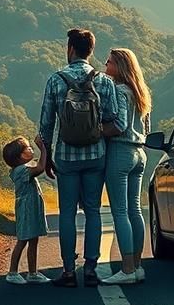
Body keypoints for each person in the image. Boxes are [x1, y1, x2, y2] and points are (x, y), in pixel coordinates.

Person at [39, 27, 127, 288]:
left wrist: (46, 157)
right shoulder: (104, 81)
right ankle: (90, 269)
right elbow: (114, 119)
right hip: (96, 154)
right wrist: (95, 130)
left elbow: (46, 123)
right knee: (93, 211)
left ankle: (68, 271)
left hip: (66, 156)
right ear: (91, 51)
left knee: (67, 212)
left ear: (70, 49)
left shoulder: (56, 80)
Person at [101, 48, 151, 285]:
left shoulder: (119, 91)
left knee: (120, 212)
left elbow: (119, 125)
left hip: (120, 151)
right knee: (135, 211)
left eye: (109, 62)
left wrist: (96, 131)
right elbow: (147, 129)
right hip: (139, 153)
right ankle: (138, 266)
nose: (105, 64)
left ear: (119, 66)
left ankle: (127, 268)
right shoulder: (140, 93)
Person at [3, 134, 51, 284]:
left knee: (33, 240)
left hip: (31, 208)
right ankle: (12, 272)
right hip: (26, 209)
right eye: (28, 148)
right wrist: (43, 149)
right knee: (22, 240)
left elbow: (39, 165)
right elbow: (40, 168)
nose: (31, 149)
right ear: (20, 157)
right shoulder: (20, 171)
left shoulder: (22, 168)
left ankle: (32, 272)